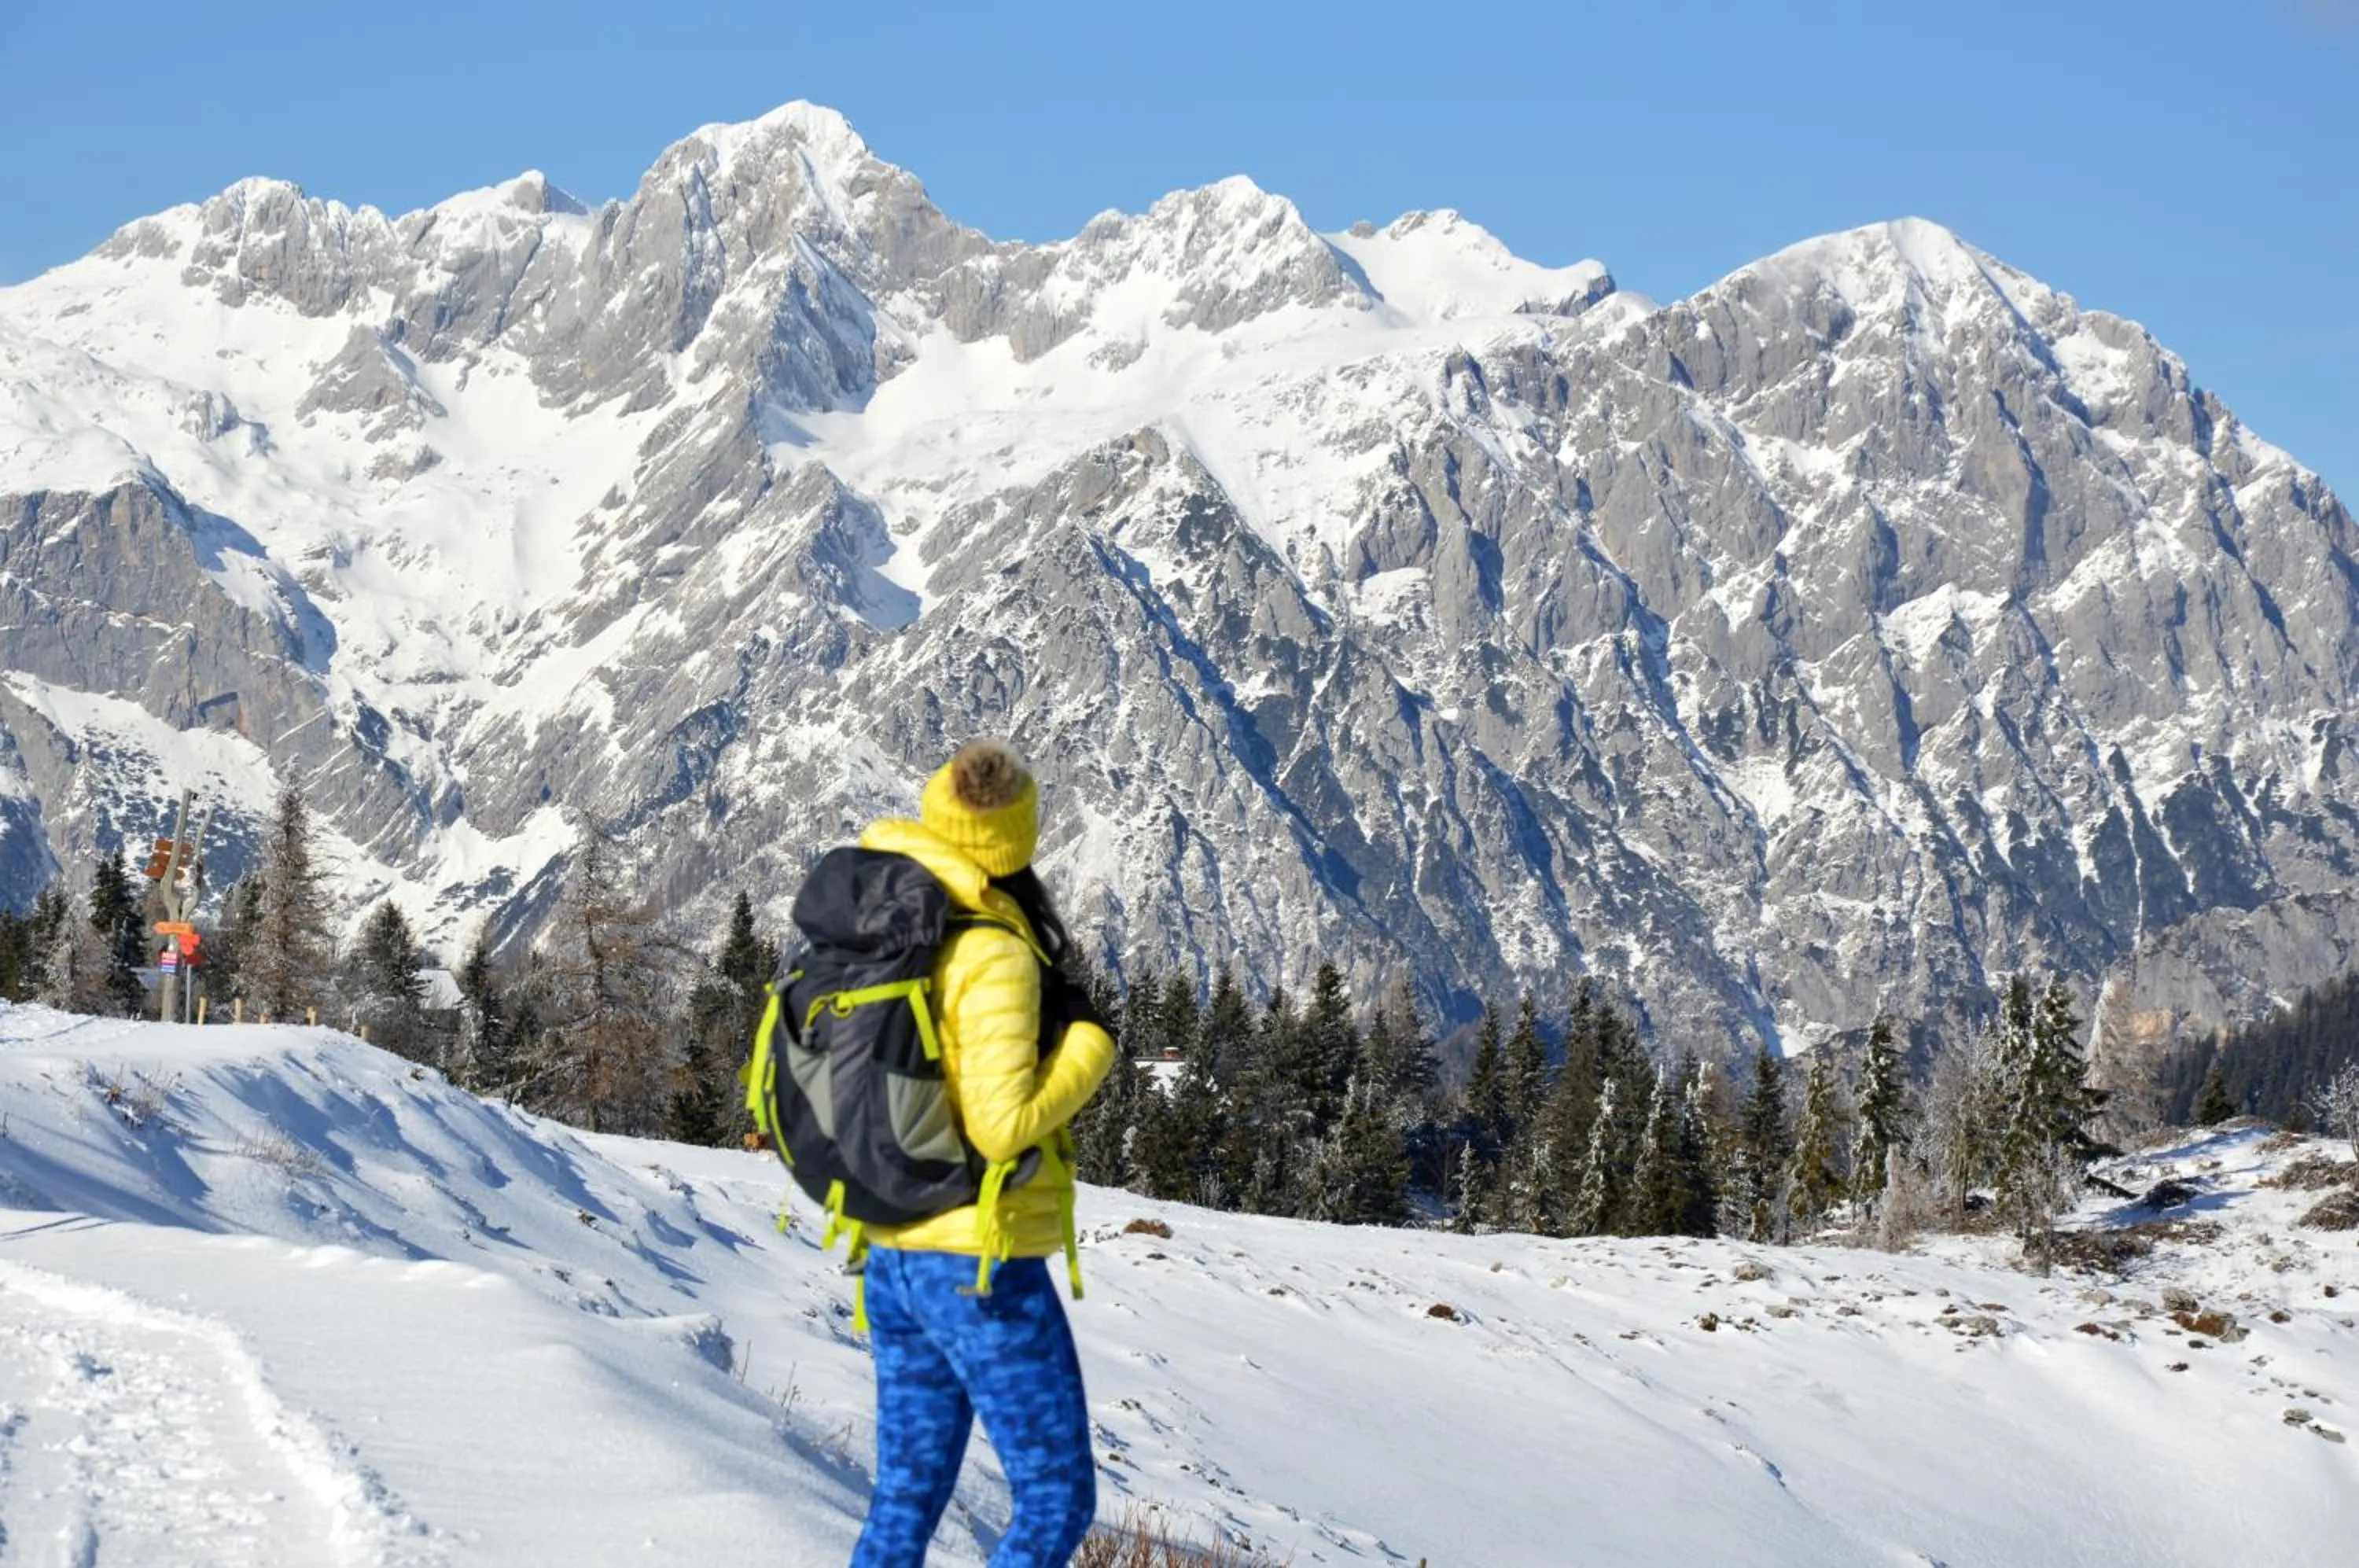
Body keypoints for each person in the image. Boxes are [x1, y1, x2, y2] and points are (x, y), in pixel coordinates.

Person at [848, 738, 1116, 1567]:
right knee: (1056, 1496)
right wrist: (1091, 1048)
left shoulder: (890, 922)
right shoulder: (991, 947)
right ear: (1019, 840)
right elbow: (1002, 1127)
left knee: (907, 1492)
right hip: (976, 1263)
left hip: (895, 1248)